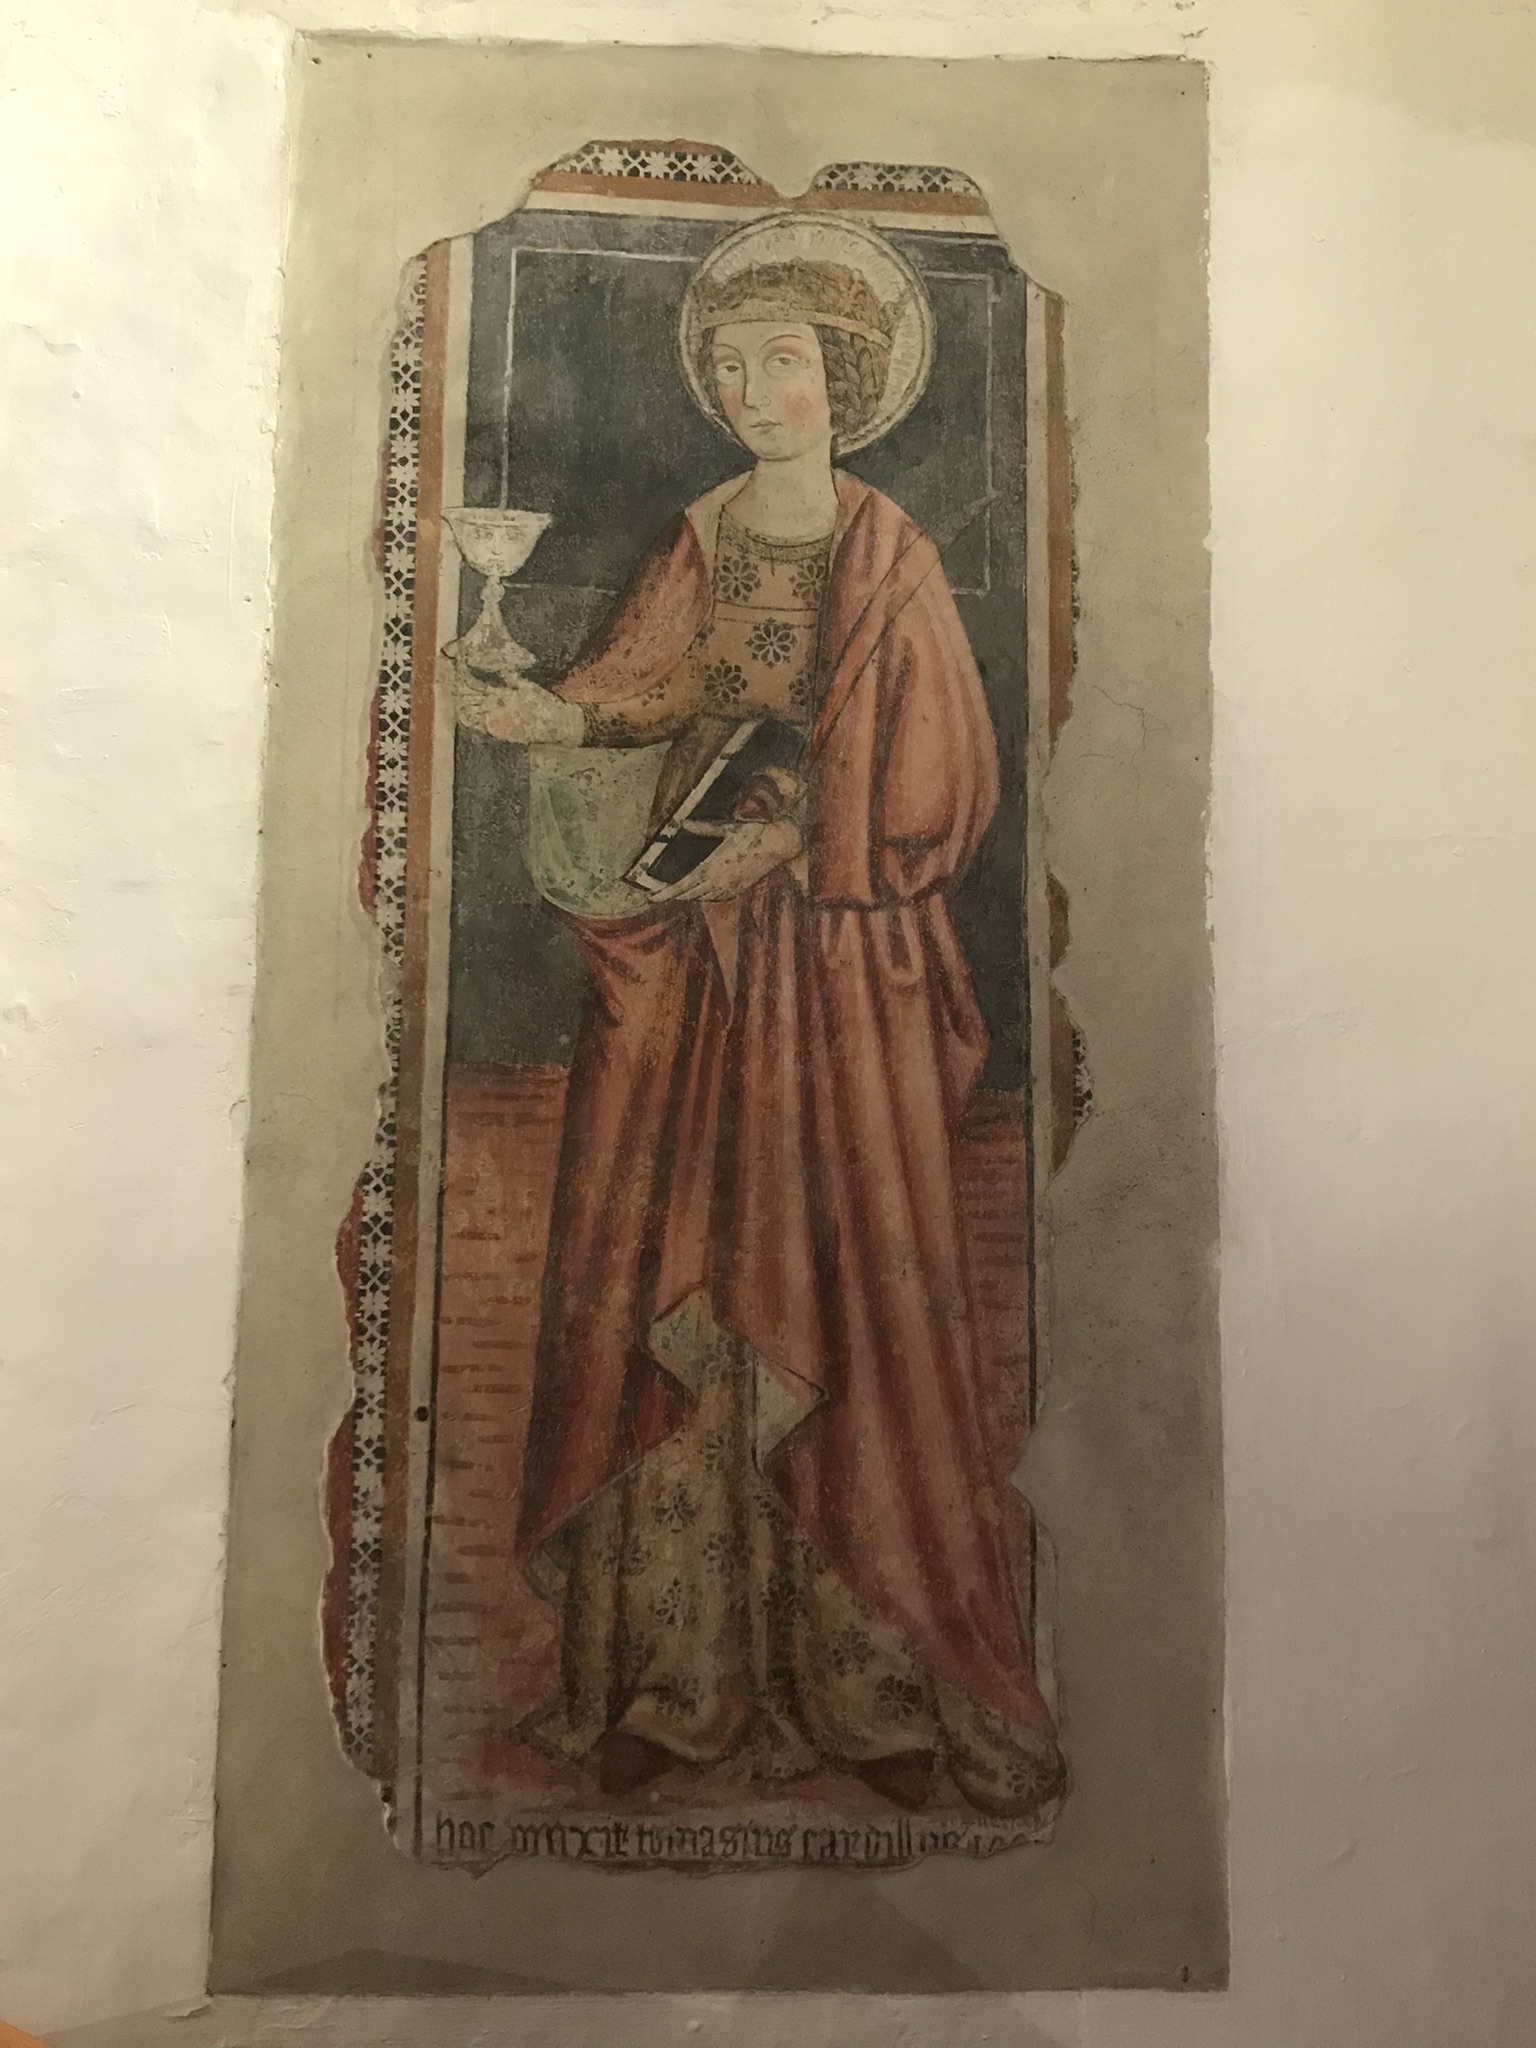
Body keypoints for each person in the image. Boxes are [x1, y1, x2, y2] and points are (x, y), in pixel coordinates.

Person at [453, 222, 1066, 1818]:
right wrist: (539, 709)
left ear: (845, 382)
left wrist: (795, 841)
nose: (751, 389)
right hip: (699, 974)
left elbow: (947, 784)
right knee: (682, 1270)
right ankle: (675, 1681)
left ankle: (876, 1686)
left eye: (782, 361)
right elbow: (643, 691)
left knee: (846, 1289)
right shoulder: (703, 532)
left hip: (842, 972)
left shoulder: (893, 554)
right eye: (729, 366)